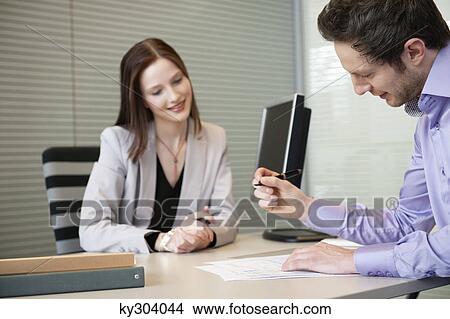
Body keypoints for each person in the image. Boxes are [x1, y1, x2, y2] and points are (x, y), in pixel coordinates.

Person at [253, 0, 450, 279]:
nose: (358, 89)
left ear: (414, 51)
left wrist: (353, 260)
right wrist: (306, 207)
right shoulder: (430, 120)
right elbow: (406, 224)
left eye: (366, 74)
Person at [80, 38, 237, 253]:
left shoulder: (215, 138)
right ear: (141, 99)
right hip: (138, 272)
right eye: (156, 92)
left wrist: (206, 235)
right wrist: (162, 240)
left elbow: (227, 219)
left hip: (192, 269)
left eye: (177, 80)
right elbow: (91, 230)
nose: (174, 96)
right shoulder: (116, 141)